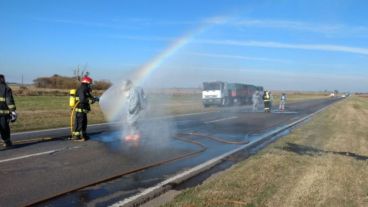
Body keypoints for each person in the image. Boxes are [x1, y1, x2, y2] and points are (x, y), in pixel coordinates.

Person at [72, 76, 99, 141]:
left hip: (83, 110)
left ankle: (83, 135)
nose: (90, 85)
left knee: (84, 123)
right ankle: (77, 136)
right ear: (86, 82)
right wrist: (90, 101)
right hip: (80, 109)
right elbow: (82, 99)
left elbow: (90, 97)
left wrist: (95, 99)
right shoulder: (82, 89)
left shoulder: (85, 89)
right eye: (90, 83)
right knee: (80, 123)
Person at [0, 74, 17, 148]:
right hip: (3, 114)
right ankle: (7, 141)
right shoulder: (6, 88)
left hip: (3, 113)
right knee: (4, 127)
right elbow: (9, 101)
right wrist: (13, 111)